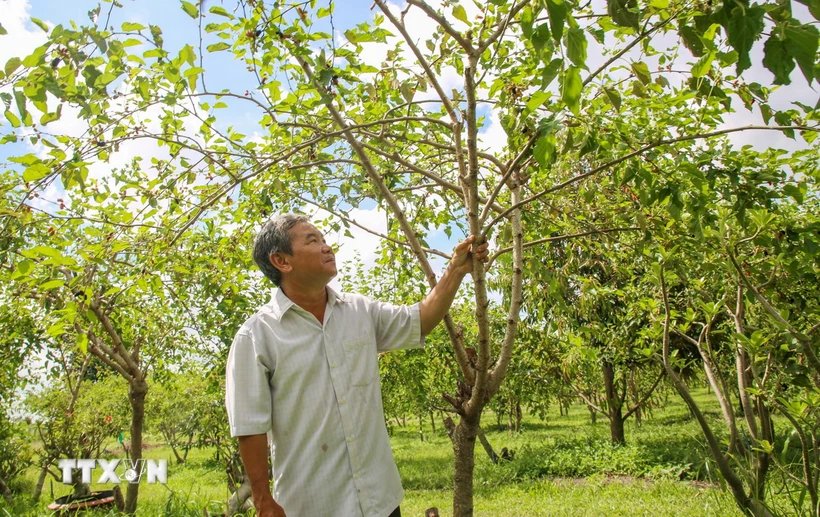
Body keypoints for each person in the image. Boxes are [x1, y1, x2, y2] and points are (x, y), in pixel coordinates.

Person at [225, 213, 489, 517]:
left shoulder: (359, 311)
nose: (327, 247)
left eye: (324, 239)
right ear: (282, 261)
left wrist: (455, 271)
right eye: (312, 241)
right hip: (313, 505)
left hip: (381, 500)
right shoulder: (256, 336)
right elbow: (250, 427)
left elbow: (420, 320)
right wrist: (262, 498)